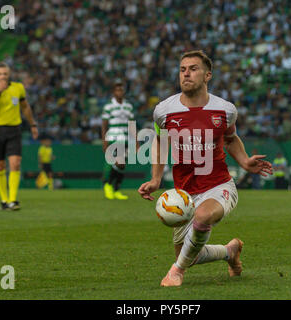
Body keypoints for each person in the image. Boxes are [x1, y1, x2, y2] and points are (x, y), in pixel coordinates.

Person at [137, 50, 273, 287]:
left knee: (201, 219)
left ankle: (175, 273)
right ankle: (229, 252)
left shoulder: (225, 110)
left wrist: (243, 161)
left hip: (218, 185)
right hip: (184, 193)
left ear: (207, 75)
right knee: (190, 255)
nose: (186, 74)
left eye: (193, 69)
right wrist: (156, 179)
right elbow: (160, 142)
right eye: (182, 69)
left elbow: (230, 139)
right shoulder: (163, 111)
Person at [0, 62, 38, 210]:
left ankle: (13, 200)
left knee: (15, 163)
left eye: (5, 74)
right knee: (0, 165)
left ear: (9, 74)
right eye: (0, 74)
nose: (2, 76)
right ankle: (4, 200)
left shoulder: (18, 88)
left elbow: (25, 107)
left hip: (14, 129)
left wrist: (33, 124)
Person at [101, 80, 136, 200]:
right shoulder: (109, 107)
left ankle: (116, 189)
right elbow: (104, 125)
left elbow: (132, 125)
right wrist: (104, 141)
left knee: (122, 165)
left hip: (125, 138)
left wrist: (135, 142)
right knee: (117, 162)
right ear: (113, 92)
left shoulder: (128, 106)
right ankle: (107, 185)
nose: (119, 92)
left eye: (121, 89)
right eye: (117, 90)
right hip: (113, 138)